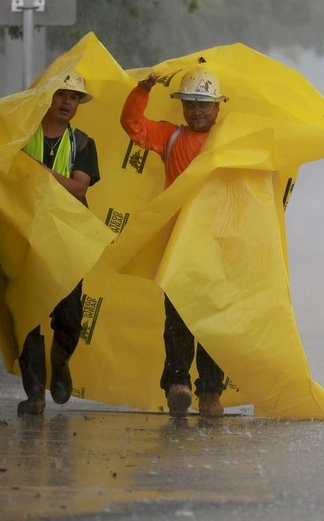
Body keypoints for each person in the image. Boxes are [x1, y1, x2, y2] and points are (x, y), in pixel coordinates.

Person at [120, 65, 228, 417]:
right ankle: (177, 385)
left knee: (212, 319)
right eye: (191, 104)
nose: (197, 111)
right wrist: (142, 90)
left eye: (204, 105)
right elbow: (133, 126)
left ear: (217, 109)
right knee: (178, 317)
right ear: (182, 107)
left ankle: (211, 393)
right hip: (178, 245)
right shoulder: (170, 138)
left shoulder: (230, 141)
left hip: (217, 245)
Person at [17, 71, 100, 416]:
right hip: (26, 235)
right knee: (27, 315)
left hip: (67, 238)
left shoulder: (82, 143)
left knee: (69, 315)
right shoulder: (21, 135)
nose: (67, 102)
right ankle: (35, 392)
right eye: (62, 95)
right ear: (48, 98)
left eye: (74, 97)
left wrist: (38, 170)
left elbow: (79, 188)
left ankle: (61, 363)